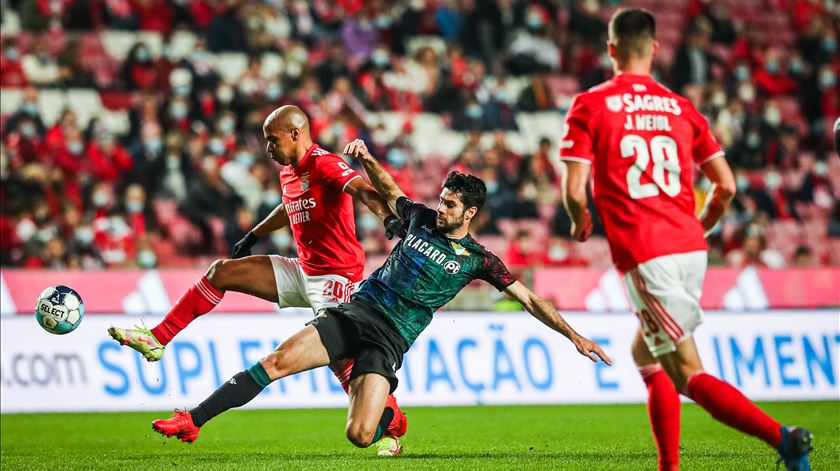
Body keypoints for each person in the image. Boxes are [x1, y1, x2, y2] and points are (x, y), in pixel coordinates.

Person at [150, 140, 611, 457]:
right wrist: (367, 157)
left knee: (358, 434)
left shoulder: (479, 260)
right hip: (357, 311)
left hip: (390, 340)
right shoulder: (421, 220)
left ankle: (390, 418)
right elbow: (390, 192)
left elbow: (530, 299)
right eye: (443, 199)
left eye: (451, 204)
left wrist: (573, 335)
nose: (442, 206)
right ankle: (194, 419)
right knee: (277, 361)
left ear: (470, 213)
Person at [559, 9, 813, 471]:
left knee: (686, 372)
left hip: (646, 253)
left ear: (612, 49)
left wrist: (579, 221)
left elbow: (575, 191)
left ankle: (784, 438)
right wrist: (705, 223)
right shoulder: (681, 108)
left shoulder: (591, 104)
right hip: (690, 248)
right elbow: (728, 187)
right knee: (645, 353)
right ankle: (670, 466)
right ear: (655, 49)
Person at [108, 106, 410, 451]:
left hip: (336, 280)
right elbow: (288, 206)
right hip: (303, 270)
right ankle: (157, 338)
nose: (268, 148)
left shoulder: (323, 163)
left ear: (295, 133)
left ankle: (390, 421)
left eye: (272, 139)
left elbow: (363, 191)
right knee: (220, 272)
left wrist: (387, 218)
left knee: (347, 372)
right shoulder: (289, 172)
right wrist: (253, 235)